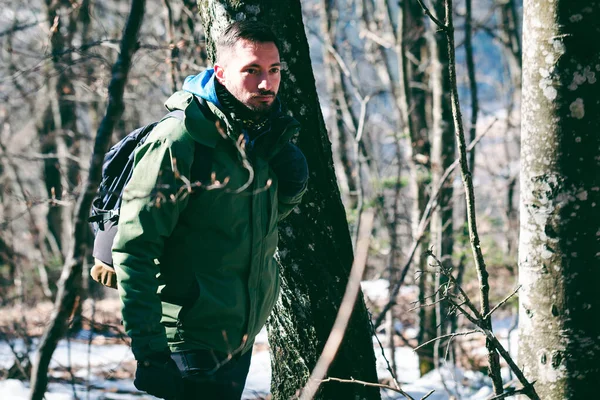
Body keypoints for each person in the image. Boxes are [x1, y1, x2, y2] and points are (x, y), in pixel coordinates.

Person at [112, 21, 308, 399]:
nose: (266, 84)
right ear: (220, 73)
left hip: (238, 335)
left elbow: (246, 226)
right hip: (189, 340)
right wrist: (150, 350)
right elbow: (134, 248)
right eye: (251, 71)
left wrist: (291, 193)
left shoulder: (261, 133)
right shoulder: (182, 139)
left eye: (274, 70)